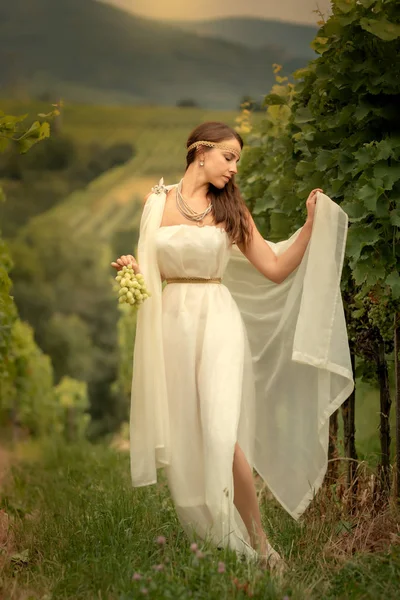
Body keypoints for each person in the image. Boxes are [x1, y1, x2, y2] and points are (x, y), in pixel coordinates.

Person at [111, 121, 354, 572]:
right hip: (173, 326)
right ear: (200, 152)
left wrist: (309, 225)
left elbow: (276, 266)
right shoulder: (156, 203)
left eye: (237, 160)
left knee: (224, 433)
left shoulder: (231, 211)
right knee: (189, 431)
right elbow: (150, 276)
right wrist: (131, 267)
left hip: (218, 321)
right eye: (229, 157)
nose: (234, 167)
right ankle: (213, 533)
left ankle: (261, 546)